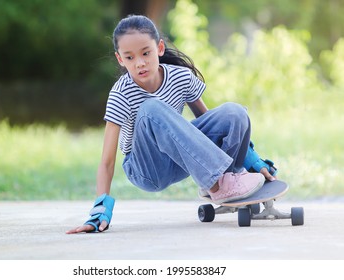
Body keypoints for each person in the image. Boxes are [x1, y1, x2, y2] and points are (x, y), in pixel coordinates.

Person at [66, 15, 276, 234]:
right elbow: (107, 161)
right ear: (120, 59)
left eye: (146, 53)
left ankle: (219, 184)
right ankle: (217, 183)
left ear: (159, 48)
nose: (140, 63)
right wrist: (100, 212)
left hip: (183, 159)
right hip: (147, 168)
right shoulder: (121, 93)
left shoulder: (180, 77)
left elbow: (213, 126)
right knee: (151, 109)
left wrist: (252, 159)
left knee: (234, 112)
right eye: (130, 57)